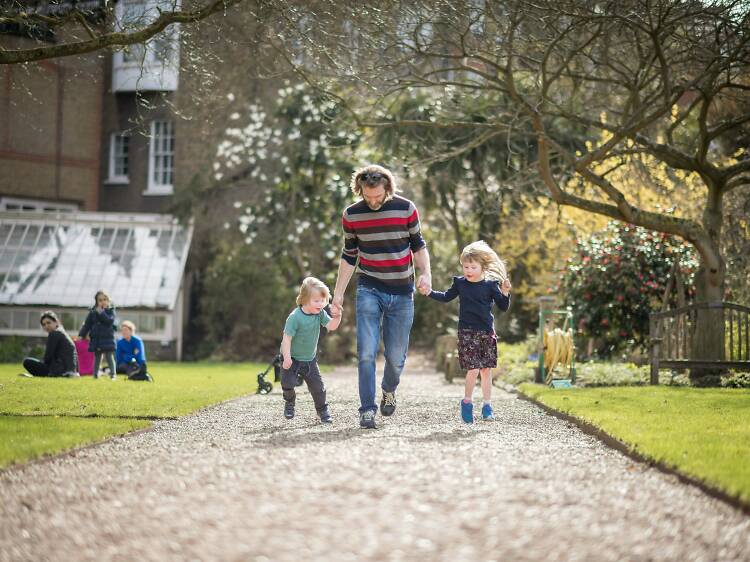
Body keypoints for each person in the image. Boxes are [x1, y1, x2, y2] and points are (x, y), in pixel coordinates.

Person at [332, 164, 431, 429]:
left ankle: (389, 388)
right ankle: (366, 410)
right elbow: (349, 255)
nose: (373, 201)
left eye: (377, 196)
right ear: (360, 189)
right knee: (365, 353)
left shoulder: (406, 208)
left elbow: (418, 246)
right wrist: (338, 295)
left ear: (387, 187)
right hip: (369, 288)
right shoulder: (351, 215)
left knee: (396, 357)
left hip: (402, 291)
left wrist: (426, 275)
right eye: (367, 196)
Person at [423, 241, 512, 423]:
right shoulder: (460, 284)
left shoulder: (491, 285)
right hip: (467, 332)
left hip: (486, 332)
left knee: (486, 370)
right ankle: (467, 402)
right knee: (473, 369)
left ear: (482, 267)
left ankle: (487, 406)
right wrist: (429, 292)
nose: (468, 270)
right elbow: (446, 297)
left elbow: (503, 307)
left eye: (473, 267)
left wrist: (505, 292)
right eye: (465, 266)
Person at [281, 277, 342, 423]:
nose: (321, 304)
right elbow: (286, 339)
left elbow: (332, 326)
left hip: (310, 360)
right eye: (316, 301)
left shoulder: (320, 314)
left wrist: (337, 316)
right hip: (293, 359)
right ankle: (290, 402)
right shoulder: (295, 317)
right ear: (304, 299)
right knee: (287, 383)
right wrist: (287, 357)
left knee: (318, 389)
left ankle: (322, 411)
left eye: (323, 300)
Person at [20, 311, 79, 377]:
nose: (46, 326)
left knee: (27, 362)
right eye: (44, 324)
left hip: (60, 372)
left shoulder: (54, 333)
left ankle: (40, 375)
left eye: (48, 323)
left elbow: (47, 358)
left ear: (56, 322)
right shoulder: (63, 333)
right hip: (71, 371)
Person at [78, 290, 117, 380]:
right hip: (97, 339)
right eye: (100, 300)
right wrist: (82, 334)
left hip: (108, 338)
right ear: (96, 302)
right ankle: (95, 374)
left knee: (109, 356)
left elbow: (109, 321)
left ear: (108, 300)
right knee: (97, 357)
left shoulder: (111, 311)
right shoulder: (92, 312)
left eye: (104, 299)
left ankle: (113, 374)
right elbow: (87, 324)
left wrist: (101, 313)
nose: (103, 302)